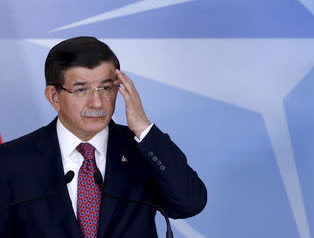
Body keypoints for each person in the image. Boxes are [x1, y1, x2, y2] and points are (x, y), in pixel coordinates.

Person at [0, 36, 207, 238]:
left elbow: (190, 203)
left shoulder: (143, 149)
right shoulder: (11, 160)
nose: (97, 103)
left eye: (106, 88)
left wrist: (143, 127)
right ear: (54, 97)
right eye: (81, 90)